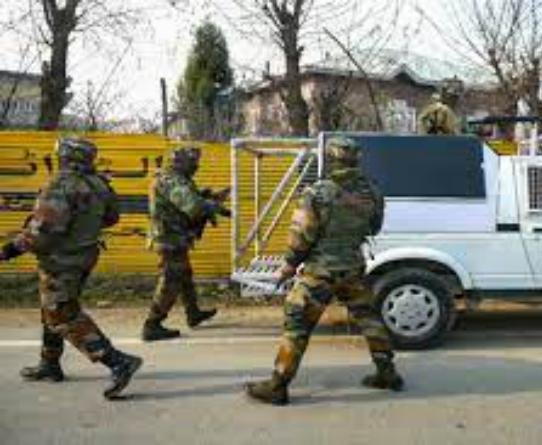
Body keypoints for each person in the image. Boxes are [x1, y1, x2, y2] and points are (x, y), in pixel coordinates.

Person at [245, 136, 403, 405]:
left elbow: (302, 235)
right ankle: (387, 373)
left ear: (329, 160)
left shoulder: (317, 193)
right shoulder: (372, 191)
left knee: (297, 322)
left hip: (320, 272)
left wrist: (289, 265)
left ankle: (278, 385)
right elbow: (374, 227)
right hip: (352, 268)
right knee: (369, 318)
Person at [0, 137, 142, 400]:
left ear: (66, 157)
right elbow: (112, 218)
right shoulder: (99, 184)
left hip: (62, 260)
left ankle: (118, 361)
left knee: (61, 314)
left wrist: (8, 250)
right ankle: (49, 363)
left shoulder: (61, 184)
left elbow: (40, 234)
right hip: (84, 256)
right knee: (51, 307)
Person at [142, 146, 230, 341]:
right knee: (171, 279)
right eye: (192, 163)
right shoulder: (170, 180)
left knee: (184, 276)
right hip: (168, 238)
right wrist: (215, 206)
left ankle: (193, 313)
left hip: (175, 237)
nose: (196, 166)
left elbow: (192, 199)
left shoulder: (178, 179)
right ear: (179, 163)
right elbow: (193, 206)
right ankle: (152, 324)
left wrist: (210, 197)